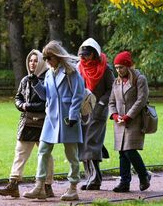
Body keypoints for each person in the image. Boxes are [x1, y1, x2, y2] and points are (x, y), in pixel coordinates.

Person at [24, 41, 85, 201]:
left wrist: (73, 115)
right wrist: (36, 83)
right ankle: (39, 186)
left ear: (57, 56)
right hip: (51, 118)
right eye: (45, 58)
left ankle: (73, 188)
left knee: (72, 155)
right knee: (43, 151)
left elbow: (78, 95)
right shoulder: (50, 73)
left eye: (49, 57)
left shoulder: (72, 72)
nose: (47, 61)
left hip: (67, 118)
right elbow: (46, 95)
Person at [0, 50, 55, 198]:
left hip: (43, 123)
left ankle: (47, 186)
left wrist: (28, 106)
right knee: (20, 152)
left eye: (36, 60)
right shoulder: (25, 80)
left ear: (41, 62)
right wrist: (21, 105)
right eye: (30, 60)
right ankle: (13, 184)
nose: (32, 63)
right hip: (27, 122)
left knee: (46, 154)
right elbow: (18, 97)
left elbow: (47, 102)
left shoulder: (48, 78)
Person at [108, 51, 151, 192]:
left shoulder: (140, 79)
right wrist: (114, 115)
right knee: (122, 152)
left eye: (121, 67)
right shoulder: (116, 81)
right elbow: (111, 102)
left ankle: (144, 175)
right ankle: (124, 182)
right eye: (116, 67)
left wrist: (128, 116)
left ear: (128, 66)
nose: (118, 70)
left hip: (134, 120)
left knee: (130, 150)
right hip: (120, 122)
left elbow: (141, 100)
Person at [77, 38, 114, 191]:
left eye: (87, 54)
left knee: (91, 142)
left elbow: (112, 89)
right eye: (82, 54)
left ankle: (95, 179)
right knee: (82, 143)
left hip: (99, 110)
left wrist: (100, 103)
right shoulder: (79, 67)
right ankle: (91, 178)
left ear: (94, 54)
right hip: (84, 110)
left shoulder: (105, 68)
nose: (83, 57)